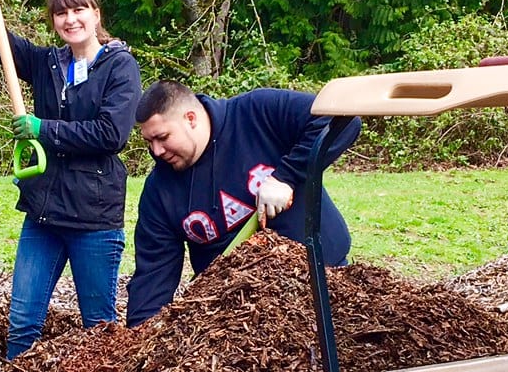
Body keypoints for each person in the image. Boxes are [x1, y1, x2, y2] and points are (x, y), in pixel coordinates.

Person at [0, 0, 142, 367]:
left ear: (96, 15)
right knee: (23, 322)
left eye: (79, 10)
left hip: (93, 220)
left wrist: (45, 129)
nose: (71, 19)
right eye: (61, 14)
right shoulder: (48, 63)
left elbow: (111, 133)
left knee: (98, 327)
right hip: (44, 216)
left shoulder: (120, 66)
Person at [126, 80, 361, 326]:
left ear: (191, 118)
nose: (157, 151)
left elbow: (341, 121)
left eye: (162, 137)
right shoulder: (160, 191)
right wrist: (140, 336)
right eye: (149, 142)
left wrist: (286, 177)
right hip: (237, 320)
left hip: (324, 283)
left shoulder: (257, 113)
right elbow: (153, 274)